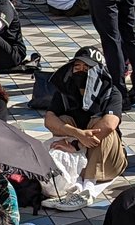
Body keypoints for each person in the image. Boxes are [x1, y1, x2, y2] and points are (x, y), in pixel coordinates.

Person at [42, 47, 126, 197]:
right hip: (75, 155)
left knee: (99, 123)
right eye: (77, 67)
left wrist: (78, 144)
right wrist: (77, 133)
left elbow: (110, 124)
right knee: (63, 120)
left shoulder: (111, 92)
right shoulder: (65, 91)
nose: (81, 71)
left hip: (106, 163)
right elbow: (49, 119)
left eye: (87, 68)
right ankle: (74, 173)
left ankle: (89, 183)